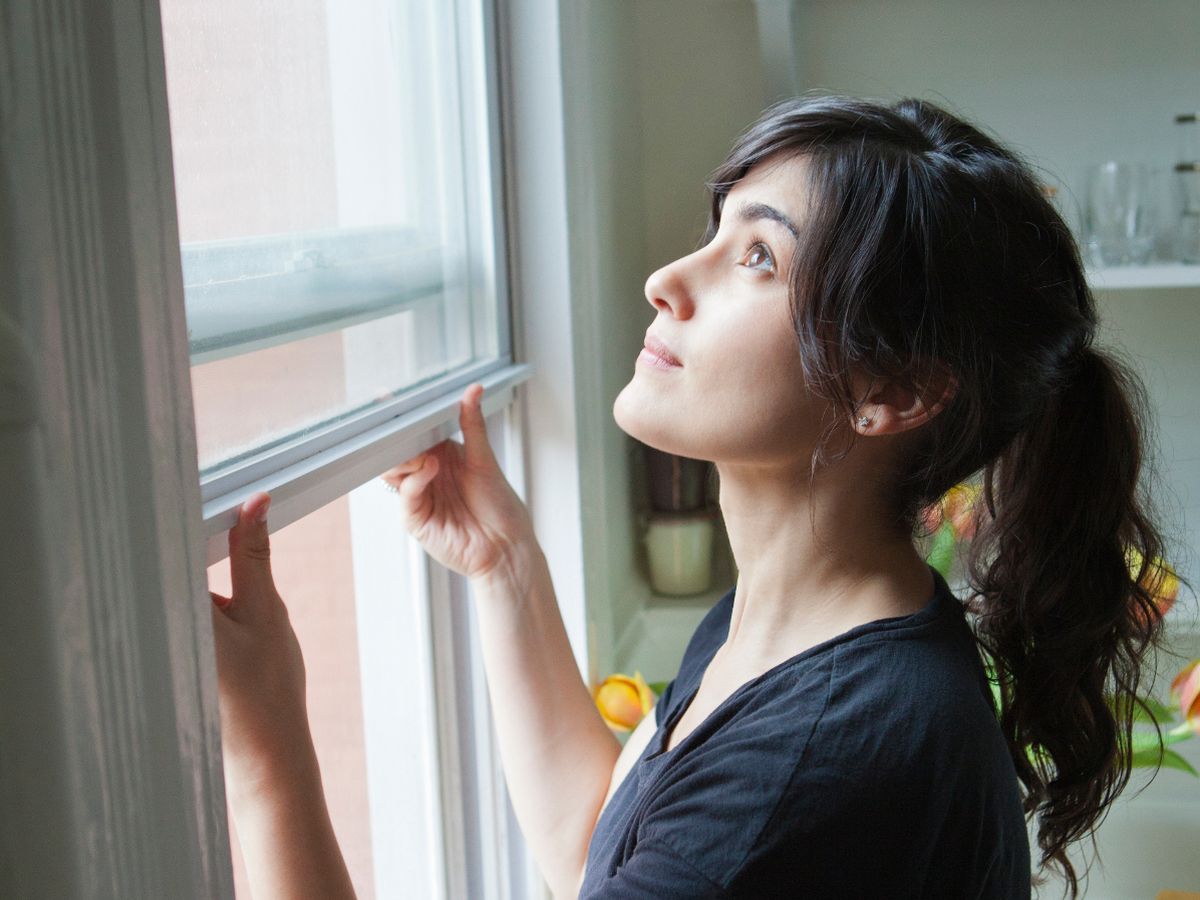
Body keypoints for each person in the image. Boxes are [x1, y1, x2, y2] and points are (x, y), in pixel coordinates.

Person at [210, 95, 1180, 899]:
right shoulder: (798, 629)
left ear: (896, 392)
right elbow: (601, 846)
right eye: (716, 234)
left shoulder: (822, 758)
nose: (667, 279)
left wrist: (264, 749)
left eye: (757, 257)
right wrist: (504, 565)